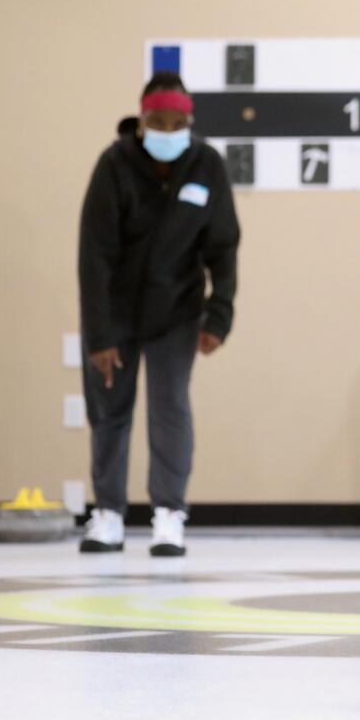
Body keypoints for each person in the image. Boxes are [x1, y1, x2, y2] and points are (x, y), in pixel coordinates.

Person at [77, 71, 239, 556]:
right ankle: (107, 515)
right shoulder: (114, 165)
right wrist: (99, 336)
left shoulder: (206, 165)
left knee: (170, 409)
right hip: (116, 312)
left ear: (189, 122)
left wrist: (218, 317)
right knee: (110, 411)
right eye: (157, 121)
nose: (167, 130)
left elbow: (224, 247)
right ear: (141, 121)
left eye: (177, 122)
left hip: (177, 311)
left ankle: (169, 515)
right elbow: (94, 255)